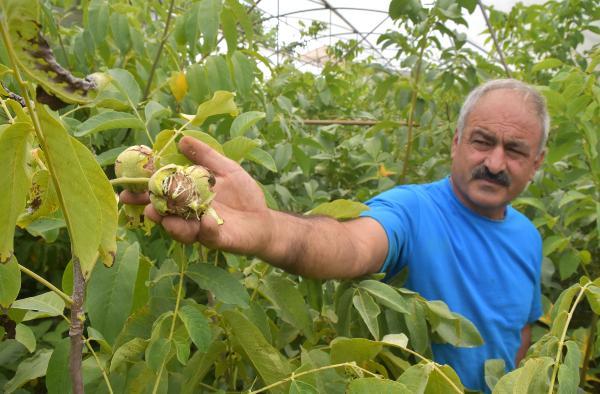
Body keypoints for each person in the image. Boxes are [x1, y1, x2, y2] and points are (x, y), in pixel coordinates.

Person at [121, 79, 548, 392]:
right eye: (482, 141)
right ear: (456, 143)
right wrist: (268, 230)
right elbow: (352, 245)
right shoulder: (413, 210)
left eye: (514, 150)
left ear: (537, 163)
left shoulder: (528, 237)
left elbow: (519, 331)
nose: (494, 162)